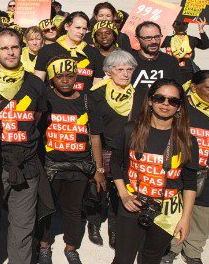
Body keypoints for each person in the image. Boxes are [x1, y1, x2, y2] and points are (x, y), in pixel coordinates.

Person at [0, 27, 51, 264]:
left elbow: (36, 120)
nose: (10, 52)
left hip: (26, 163)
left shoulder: (35, 83)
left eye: (14, 47)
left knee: (23, 225)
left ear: (22, 48)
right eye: (4, 48)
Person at [110, 79, 199, 264]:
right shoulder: (130, 130)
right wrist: (124, 195)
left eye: (173, 100)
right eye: (160, 98)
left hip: (168, 210)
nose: (166, 104)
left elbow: (190, 182)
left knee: (152, 258)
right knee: (122, 259)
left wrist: (186, 218)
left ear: (179, 107)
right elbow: (116, 163)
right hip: (133, 203)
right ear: (150, 101)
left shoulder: (188, 141)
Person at [36, 56, 103, 264]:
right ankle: (44, 246)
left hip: (79, 166)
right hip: (50, 165)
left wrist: (99, 169)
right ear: (52, 79)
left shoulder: (86, 100)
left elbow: (94, 136)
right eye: (59, 76)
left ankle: (71, 247)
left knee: (73, 210)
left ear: (76, 77)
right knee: (45, 208)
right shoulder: (45, 98)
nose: (65, 80)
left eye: (70, 75)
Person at [84, 49, 139, 248]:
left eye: (129, 69)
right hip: (104, 150)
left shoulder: (138, 94)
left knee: (120, 191)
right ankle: (94, 224)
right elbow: (95, 133)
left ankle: (114, 229)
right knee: (97, 190)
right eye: (120, 69)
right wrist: (98, 167)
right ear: (109, 71)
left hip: (127, 151)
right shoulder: (96, 94)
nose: (125, 73)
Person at [164, 70, 209, 263]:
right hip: (182, 169)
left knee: (203, 214)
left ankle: (193, 251)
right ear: (193, 87)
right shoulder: (180, 109)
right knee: (176, 211)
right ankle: (172, 248)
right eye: (208, 87)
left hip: (206, 173)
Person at [34, 12, 104, 92]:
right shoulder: (47, 50)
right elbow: (37, 84)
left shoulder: (93, 52)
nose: (81, 32)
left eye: (84, 29)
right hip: (52, 103)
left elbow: (97, 85)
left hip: (84, 103)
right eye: (78, 27)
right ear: (67, 26)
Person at [131, 22, 184, 114]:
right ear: (138, 38)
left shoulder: (170, 61)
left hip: (161, 117)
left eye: (157, 37)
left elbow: (177, 91)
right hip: (133, 115)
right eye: (148, 38)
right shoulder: (128, 60)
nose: (154, 41)